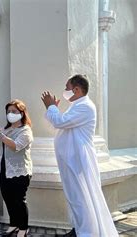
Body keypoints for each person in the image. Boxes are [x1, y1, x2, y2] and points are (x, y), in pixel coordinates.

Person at [41, 74, 118, 237]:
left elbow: (59, 122)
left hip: (78, 160)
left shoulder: (85, 106)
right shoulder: (77, 105)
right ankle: (80, 228)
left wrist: (50, 107)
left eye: (67, 88)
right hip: (71, 159)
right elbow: (62, 123)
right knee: (75, 197)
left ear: (76, 89)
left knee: (81, 197)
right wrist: (52, 109)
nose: (65, 91)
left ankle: (87, 232)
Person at [0, 99, 33, 237]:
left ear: (22, 113)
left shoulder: (25, 130)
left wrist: (0, 135)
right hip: (4, 170)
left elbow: (16, 146)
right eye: (9, 111)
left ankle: (23, 228)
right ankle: (14, 224)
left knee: (19, 200)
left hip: (20, 171)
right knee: (8, 199)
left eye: (14, 111)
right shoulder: (6, 129)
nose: (11, 114)